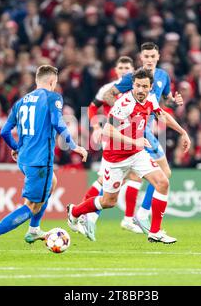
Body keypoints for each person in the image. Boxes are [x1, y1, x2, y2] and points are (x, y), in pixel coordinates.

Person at [67, 68, 191, 244]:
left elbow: (161, 115)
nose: (141, 90)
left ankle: (155, 231)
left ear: (151, 87)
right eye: (138, 85)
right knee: (108, 201)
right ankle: (75, 212)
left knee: (163, 182)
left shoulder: (150, 99)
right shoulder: (124, 104)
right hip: (115, 157)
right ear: (133, 84)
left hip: (137, 154)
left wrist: (183, 132)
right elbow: (108, 130)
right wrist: (135, 142)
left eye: (145, 86)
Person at [0, 65, 87, 255]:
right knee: (31, 206)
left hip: (25, 159)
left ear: (37, 80)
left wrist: (16, 147)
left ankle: (34, 229)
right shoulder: (53, 97)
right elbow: (57, 122)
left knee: (52, 182)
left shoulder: (21, 102)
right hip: (40, 160)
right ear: (52, 81)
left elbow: (4, 131)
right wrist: (73, 145)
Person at [101, 42, 184, 234]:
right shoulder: (133, 78)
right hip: (137, 132)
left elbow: (166, 99)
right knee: (160, 174)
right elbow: (108, 94)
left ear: (158, 56)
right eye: (145, 56)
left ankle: (130, 216)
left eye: (152, 56)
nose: (149, 60)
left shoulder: (163, 76)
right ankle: (139, 215)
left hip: (147, 131)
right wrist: (126, 114)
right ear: (141, 58)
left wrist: (175, 101)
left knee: (141, 175)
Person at [83, 56, 144, 236]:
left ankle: (127, 218)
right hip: (114, 136)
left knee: (133, 176)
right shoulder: (108, 89)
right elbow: (92, 107)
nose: (124, 70)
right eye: (121, 67)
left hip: (131, 137)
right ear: (116, 70)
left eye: (127, 67)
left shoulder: (136, 88)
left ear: (132, 70)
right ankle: (85, 214)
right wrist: (95, 126)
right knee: (109, 179)